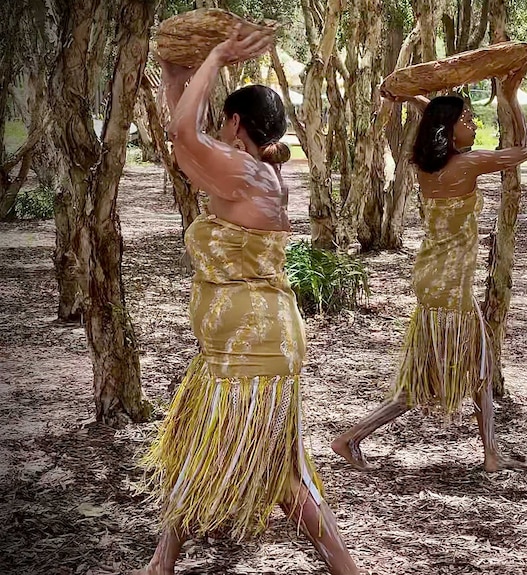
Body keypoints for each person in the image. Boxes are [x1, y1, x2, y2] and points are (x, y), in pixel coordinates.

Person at [134, 27, 361, 575]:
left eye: (224, 120)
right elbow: (185, 134)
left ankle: (344, 566)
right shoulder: (251, 170)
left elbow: (182, 133)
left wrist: (213, 57)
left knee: (278, 471)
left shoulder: (242, 172)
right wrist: (176, 73)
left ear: (235, 124)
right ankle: (163, 559)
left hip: (252, 345)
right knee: (199, 440)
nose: (217, 128)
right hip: (248, 340)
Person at [332, 66, 527, 473]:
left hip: (437, 278)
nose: (474, 125)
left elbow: (434, 117)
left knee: (477, 365)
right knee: (423, 382)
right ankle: (350, 437)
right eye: (467, 120)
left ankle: (490, 453)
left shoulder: (430, 164)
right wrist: (510, 96)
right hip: (450, 286)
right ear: (449, 130)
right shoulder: (468, 164)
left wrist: (414, 99)